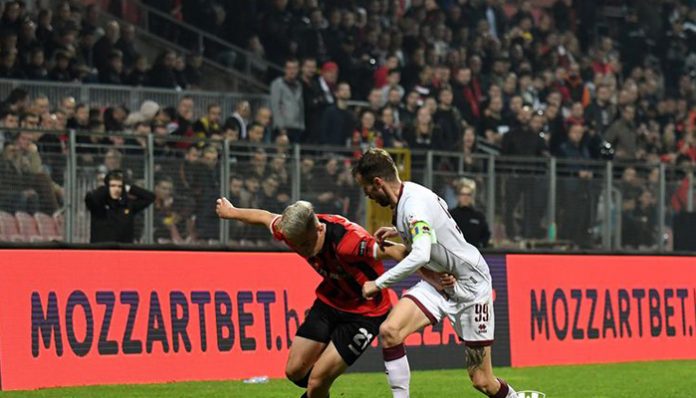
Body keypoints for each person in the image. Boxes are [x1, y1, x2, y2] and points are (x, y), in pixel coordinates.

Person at [215, 199, 443, 398]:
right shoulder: (291, 229)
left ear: (319, 228)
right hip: (330, 301)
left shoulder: (349, 242)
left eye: (305, 244)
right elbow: (264, 217)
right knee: (294, 372)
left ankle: (320, 385)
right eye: (296, 245)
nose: (302, 251)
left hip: (365, 314)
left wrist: (435, 277)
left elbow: (398, 251)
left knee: (316, 382)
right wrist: (231, 212)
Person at [353, 148, 518, 398]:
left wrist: (378, 283)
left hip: (470, 287)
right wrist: (399, 231)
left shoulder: (412, 207)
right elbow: (435, 222)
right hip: (437, 281)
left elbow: (419, 254)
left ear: (377, 182)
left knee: (482, 381)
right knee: (390, 331)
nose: (368, 196)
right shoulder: (409, 195)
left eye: (367, 190)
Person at [84, 169, 155, 243]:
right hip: (101, 250)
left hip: (124, 251)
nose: (116, 189)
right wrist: (104, 188)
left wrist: (129, 188)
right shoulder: (98, 205)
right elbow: (90, 198)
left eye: (120, 186)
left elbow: (150, 197)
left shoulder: (128, 205)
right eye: (113, 186)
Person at [450, 181, 491, 249]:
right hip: (456, 252)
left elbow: (486, 235)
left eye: (468, 194)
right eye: (463, 194)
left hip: (475, 253)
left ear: (472, 197)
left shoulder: (478, 216)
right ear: (458, 196)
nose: (465, 197)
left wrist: (480, 245)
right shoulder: (451, 215)